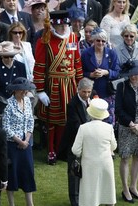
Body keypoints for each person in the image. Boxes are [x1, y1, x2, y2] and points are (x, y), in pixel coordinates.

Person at [34, 10, 83, 165]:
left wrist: (80, 84)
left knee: (67, 118)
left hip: (70, 84)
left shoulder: (73, 37)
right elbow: (39, 67)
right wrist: (40, 90)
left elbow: (77, 62)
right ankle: (51, 150)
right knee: (52, 120)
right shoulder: (45, 40)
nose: (63, 28)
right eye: (60, 25)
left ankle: (62, 148)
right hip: (53, 84)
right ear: (54, 25)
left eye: (65, 25)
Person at [115, 60, 138, 203]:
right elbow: (118, 109)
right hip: (127, 127)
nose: (133, 77)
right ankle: (125, 189)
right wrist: (131, 124)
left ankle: (133, 187)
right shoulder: (121, 86)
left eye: (136, 74)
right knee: (125, 158)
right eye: (130, 74)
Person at [71, 98, 117, 206]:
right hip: (106, 164)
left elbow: (75, 150)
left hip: (89, 165)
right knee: (107, 192)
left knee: (90, 195)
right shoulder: (109, 128)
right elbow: (114, 146)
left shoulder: (83, 128)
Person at [57, 77, 94, 206]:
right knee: (74, 171)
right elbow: (76, 126)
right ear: (78, 90)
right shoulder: (72, 104)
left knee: (88, 171)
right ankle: (75, 200)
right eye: (84, 92)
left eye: (89, 92)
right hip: (75, 143)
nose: (87, 94)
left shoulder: (94, 99)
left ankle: (86, 197)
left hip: (90, 143)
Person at [2, 77, 37, 206]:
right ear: (15, 90)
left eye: (25, 90)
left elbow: (30, 121)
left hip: (26, 143)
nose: (24, 92)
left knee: (28, 171)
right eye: (22, 90)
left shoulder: (27, 101)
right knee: (12, 173)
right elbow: (6, 127)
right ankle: (12, 204)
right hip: (12, 144)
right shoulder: (8, 104)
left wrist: (27, 139)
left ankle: (30, 203)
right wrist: (19, 141)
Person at [81, 27, 121, 125]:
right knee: (91, 120)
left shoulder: (111, 53)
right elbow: (80, 71)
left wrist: (106, 72)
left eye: (103, 41)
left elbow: (117, 72)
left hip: (107, 92)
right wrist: (91, 74)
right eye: (98, 40)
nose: (101, 43)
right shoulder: (86, 54)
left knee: (107, 121)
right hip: (91, 92)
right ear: (93, 40)